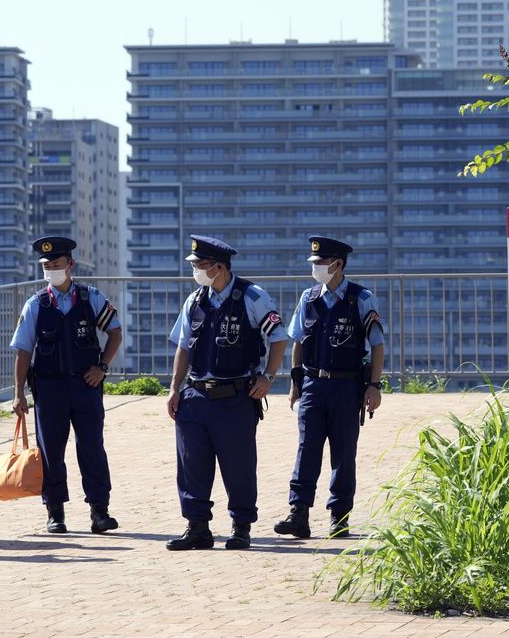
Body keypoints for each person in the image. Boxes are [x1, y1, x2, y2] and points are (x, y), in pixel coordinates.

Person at [165, 235, 288, 551]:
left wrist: (269, 377)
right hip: (194, 396)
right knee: (192, 465)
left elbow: (278, 337)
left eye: (201, 266)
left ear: (219, 267)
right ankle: (197, 528)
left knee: (239, 466)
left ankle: (241, 526)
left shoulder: (251, 297)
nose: (197, 271)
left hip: (234, 397)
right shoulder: (194, 301)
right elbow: (182, 346)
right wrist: (174, 388)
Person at [10, 236, 123, 534]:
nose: (51, 270)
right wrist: (18, 393)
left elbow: (115, 333)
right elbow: (23, 350)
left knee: (91, 448)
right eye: (47, 266)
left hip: (85, 387)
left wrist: (102, 368)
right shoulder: (36, 304)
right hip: (49, 390)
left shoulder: (91, 298)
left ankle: (100, 510)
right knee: (51, 452)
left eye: (56, 265)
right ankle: (55, 512)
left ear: (70, 264)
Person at [273, 236, 384, 540]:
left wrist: (373, 386)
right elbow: (298, 341)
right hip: (313, 385)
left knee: (343, 453)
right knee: (306, 448)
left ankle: (339, 516)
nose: (317, 267)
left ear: (339, 264)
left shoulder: (362, 299)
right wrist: (296, 383)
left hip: (347, 387)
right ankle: (299, 513)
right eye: (315, 263)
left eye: (322, 263)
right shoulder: (308, 298)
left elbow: (376, 345)